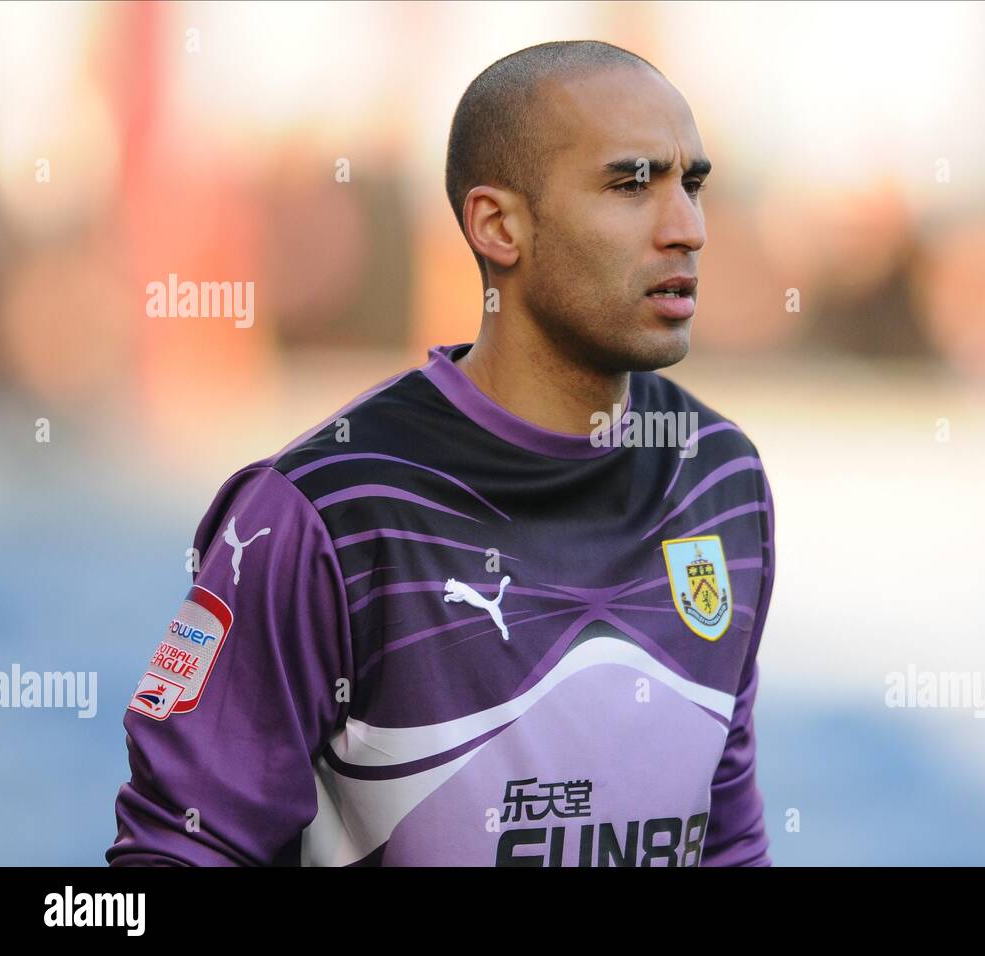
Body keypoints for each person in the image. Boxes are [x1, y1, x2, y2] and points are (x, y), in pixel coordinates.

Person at [107, 39, 775, 867]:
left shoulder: (723, 479)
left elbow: (728, 836)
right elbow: (178, 853)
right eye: (632, 183)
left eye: (693, 183)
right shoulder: (326, 512)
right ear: (498, 226)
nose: (688, 229)